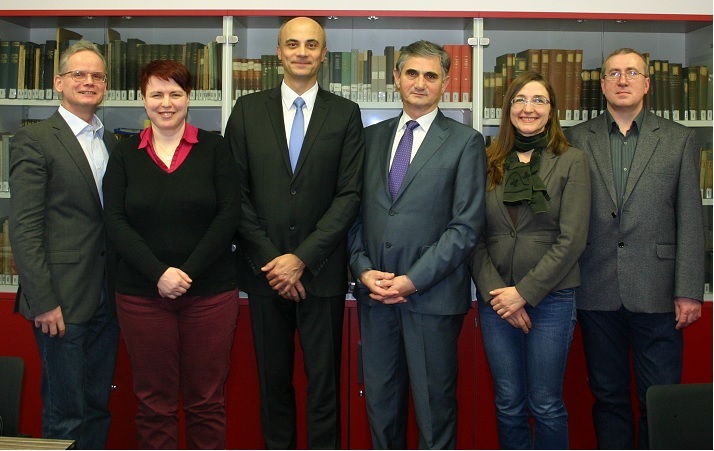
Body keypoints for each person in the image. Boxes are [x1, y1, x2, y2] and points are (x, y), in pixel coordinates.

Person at [222, 17, 365, 449]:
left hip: (321, 273)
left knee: (325, 388)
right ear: (279, 53)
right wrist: (274, 261)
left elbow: (349, 195)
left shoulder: (345, 114)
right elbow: (234, 193)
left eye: (311, 45)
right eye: (293, 44)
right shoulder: (247, 110)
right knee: (273, 385)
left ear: (324, 54)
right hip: (264, 274)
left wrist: (301, 258)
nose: (302, 52)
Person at [348, 40, 486, 450]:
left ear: (445, 82)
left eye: (430, 75)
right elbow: (352, 216)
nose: (420, 83)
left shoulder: (465, 141)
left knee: (434, 411)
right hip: (376, 297)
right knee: (381, 408)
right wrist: (362, 269)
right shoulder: (369, 139)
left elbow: (465, 227)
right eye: (411, 73)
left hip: (432, 299)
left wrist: (412, 280)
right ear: (397, 78)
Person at [565, 48, 705, 449]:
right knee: (608, 397)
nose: (622, 80)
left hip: (659, 290)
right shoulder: (576, 138)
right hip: (595, 287)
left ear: (647, 84)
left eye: (631, 73)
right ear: (602, 84)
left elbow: (690, 218)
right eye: (613, 73)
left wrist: (689, 289)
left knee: (658, 397)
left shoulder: (679, 138)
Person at [102, 59, 240, 449]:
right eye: (156, 94)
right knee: (153, 404)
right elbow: (115, 220)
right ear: (142, 99)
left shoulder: (215, 148)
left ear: (188, 97)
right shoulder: (124, 154)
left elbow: (228, 215)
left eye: (175, 94)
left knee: (206, 402)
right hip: (142, 296)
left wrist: (186, 272)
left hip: (210, 295)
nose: (166, 103)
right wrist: (159, 273)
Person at [469, 71, 591, 449]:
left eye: (539, 100)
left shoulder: (571, 161)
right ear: (507, 108)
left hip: (552, 299)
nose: (529, 108)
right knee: (508, 403)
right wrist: (498, 293)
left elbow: (573, 240)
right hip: (496, 301)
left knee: (546, 403)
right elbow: (472, 235)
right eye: (520, 99)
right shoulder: (486, 160)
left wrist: (523, 293)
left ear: (552, 110)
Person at [8, 40, 119, 449]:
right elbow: (24, 226)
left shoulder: (110, 142)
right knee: (65, 414)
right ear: (59, 82)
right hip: (60, 301)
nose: (89, 82)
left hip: (106, 297)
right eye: (79, 74)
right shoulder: (35, 139)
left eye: (97, 76)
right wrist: (43, 301)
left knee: (97, 407)